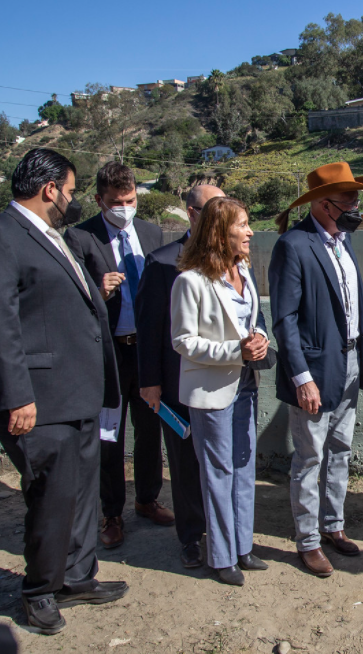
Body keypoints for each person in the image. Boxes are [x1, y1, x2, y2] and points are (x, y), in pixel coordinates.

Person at [0, 148, 125, 634]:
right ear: (50, 189)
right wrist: (16, 396)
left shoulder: (55, 237)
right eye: (71, 192)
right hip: (39, 399)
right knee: (52, 497)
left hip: (78, 393)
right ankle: (39, 590)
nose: (72, 201)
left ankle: (77, 577)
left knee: (81, 493)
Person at [269, 162, 363, 577]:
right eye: (349, 197)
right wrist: (302, 378)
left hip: (349, 361)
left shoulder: (343, 240)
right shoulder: (294, 246)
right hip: (315, 370)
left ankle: (333, 526)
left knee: (340, 451)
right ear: (322, 203)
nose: (356, 204)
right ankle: (308, 541)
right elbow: (284, 319)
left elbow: (347, 300)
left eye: (356, 196)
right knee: (310, 457)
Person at [65, 162, 171, 549]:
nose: (124, 207)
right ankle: (111, 512)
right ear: (99, 200)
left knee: (149, 431)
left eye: (130, 200)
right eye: (116, 202)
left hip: (146, 352)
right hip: (108, 354)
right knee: (108, 434)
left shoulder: (152, 232)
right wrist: (98, 289)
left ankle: (147, 499)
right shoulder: (79, 238)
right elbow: (66, 299)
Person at [171, 196, 270, 586]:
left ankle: (243, 547)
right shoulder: (190, 282)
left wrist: (259, 337)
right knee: (218, 471)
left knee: (245, 467)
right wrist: (235, 351)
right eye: (242, 225)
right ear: (218, 231)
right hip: (212, 390)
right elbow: (182, 340)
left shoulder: (244, 271)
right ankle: (221, 556)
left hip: (245, 383)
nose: (249, 232)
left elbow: (253, 320)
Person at [136, 184, 224, 568]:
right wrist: (150, 382)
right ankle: (191, 537)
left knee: (222, 464)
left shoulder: (232, 256)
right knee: (186, 466)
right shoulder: (162, 262)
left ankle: (223, 535)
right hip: (177, 385)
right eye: (212, 209)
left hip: (224, 382)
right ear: (191, 213)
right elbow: (149, 327)